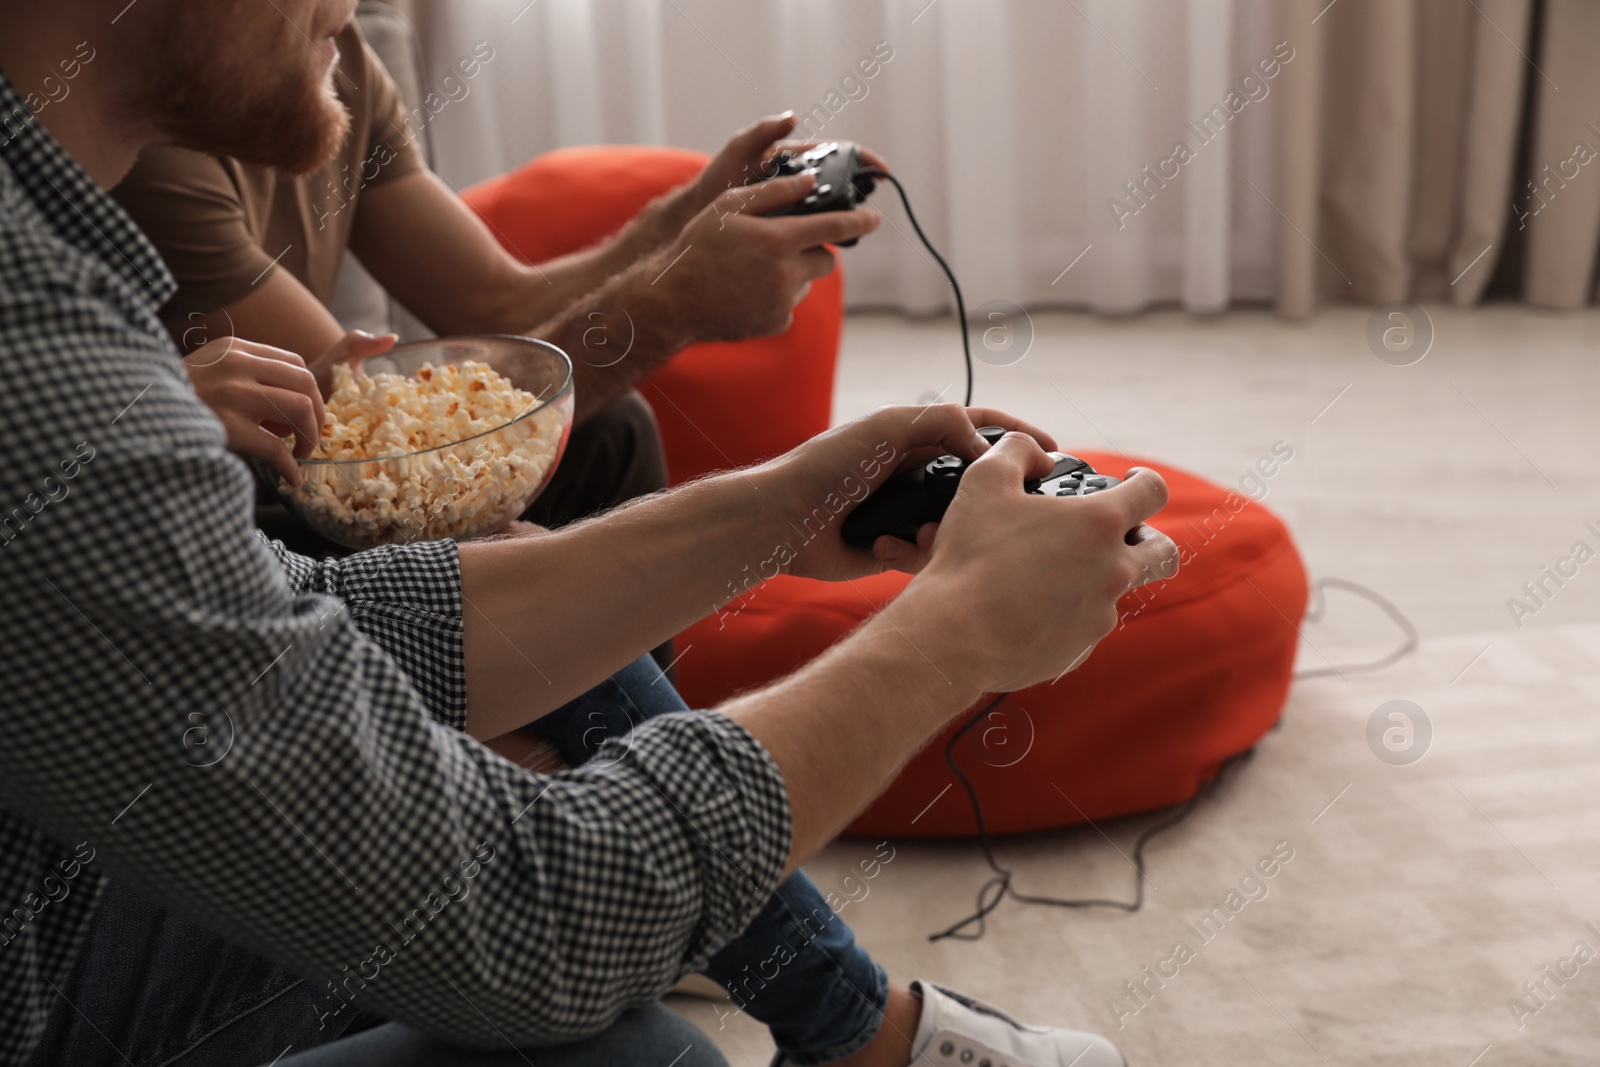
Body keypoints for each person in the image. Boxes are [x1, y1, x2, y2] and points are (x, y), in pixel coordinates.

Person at [0, 3, 1179, 1067]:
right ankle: (844, 1015)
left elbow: (489, 335)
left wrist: (790, 498)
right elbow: (535, 917)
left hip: (57, 880)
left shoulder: (97, 234)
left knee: (589, 497)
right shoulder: (50, 345)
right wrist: (951, 635)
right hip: (52, 969)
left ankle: (799, 985)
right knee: (637, 1046)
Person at [110, 18, 883, 544]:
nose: (349, 14)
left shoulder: (335, 59)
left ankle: (631, 734)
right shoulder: (158, 159)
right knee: (603, 437)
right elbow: (379, 452)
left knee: (614, 432)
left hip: (325, 465)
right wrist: (675, 302)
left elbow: (494, 300)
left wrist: (685, 216)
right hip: (240, 503)